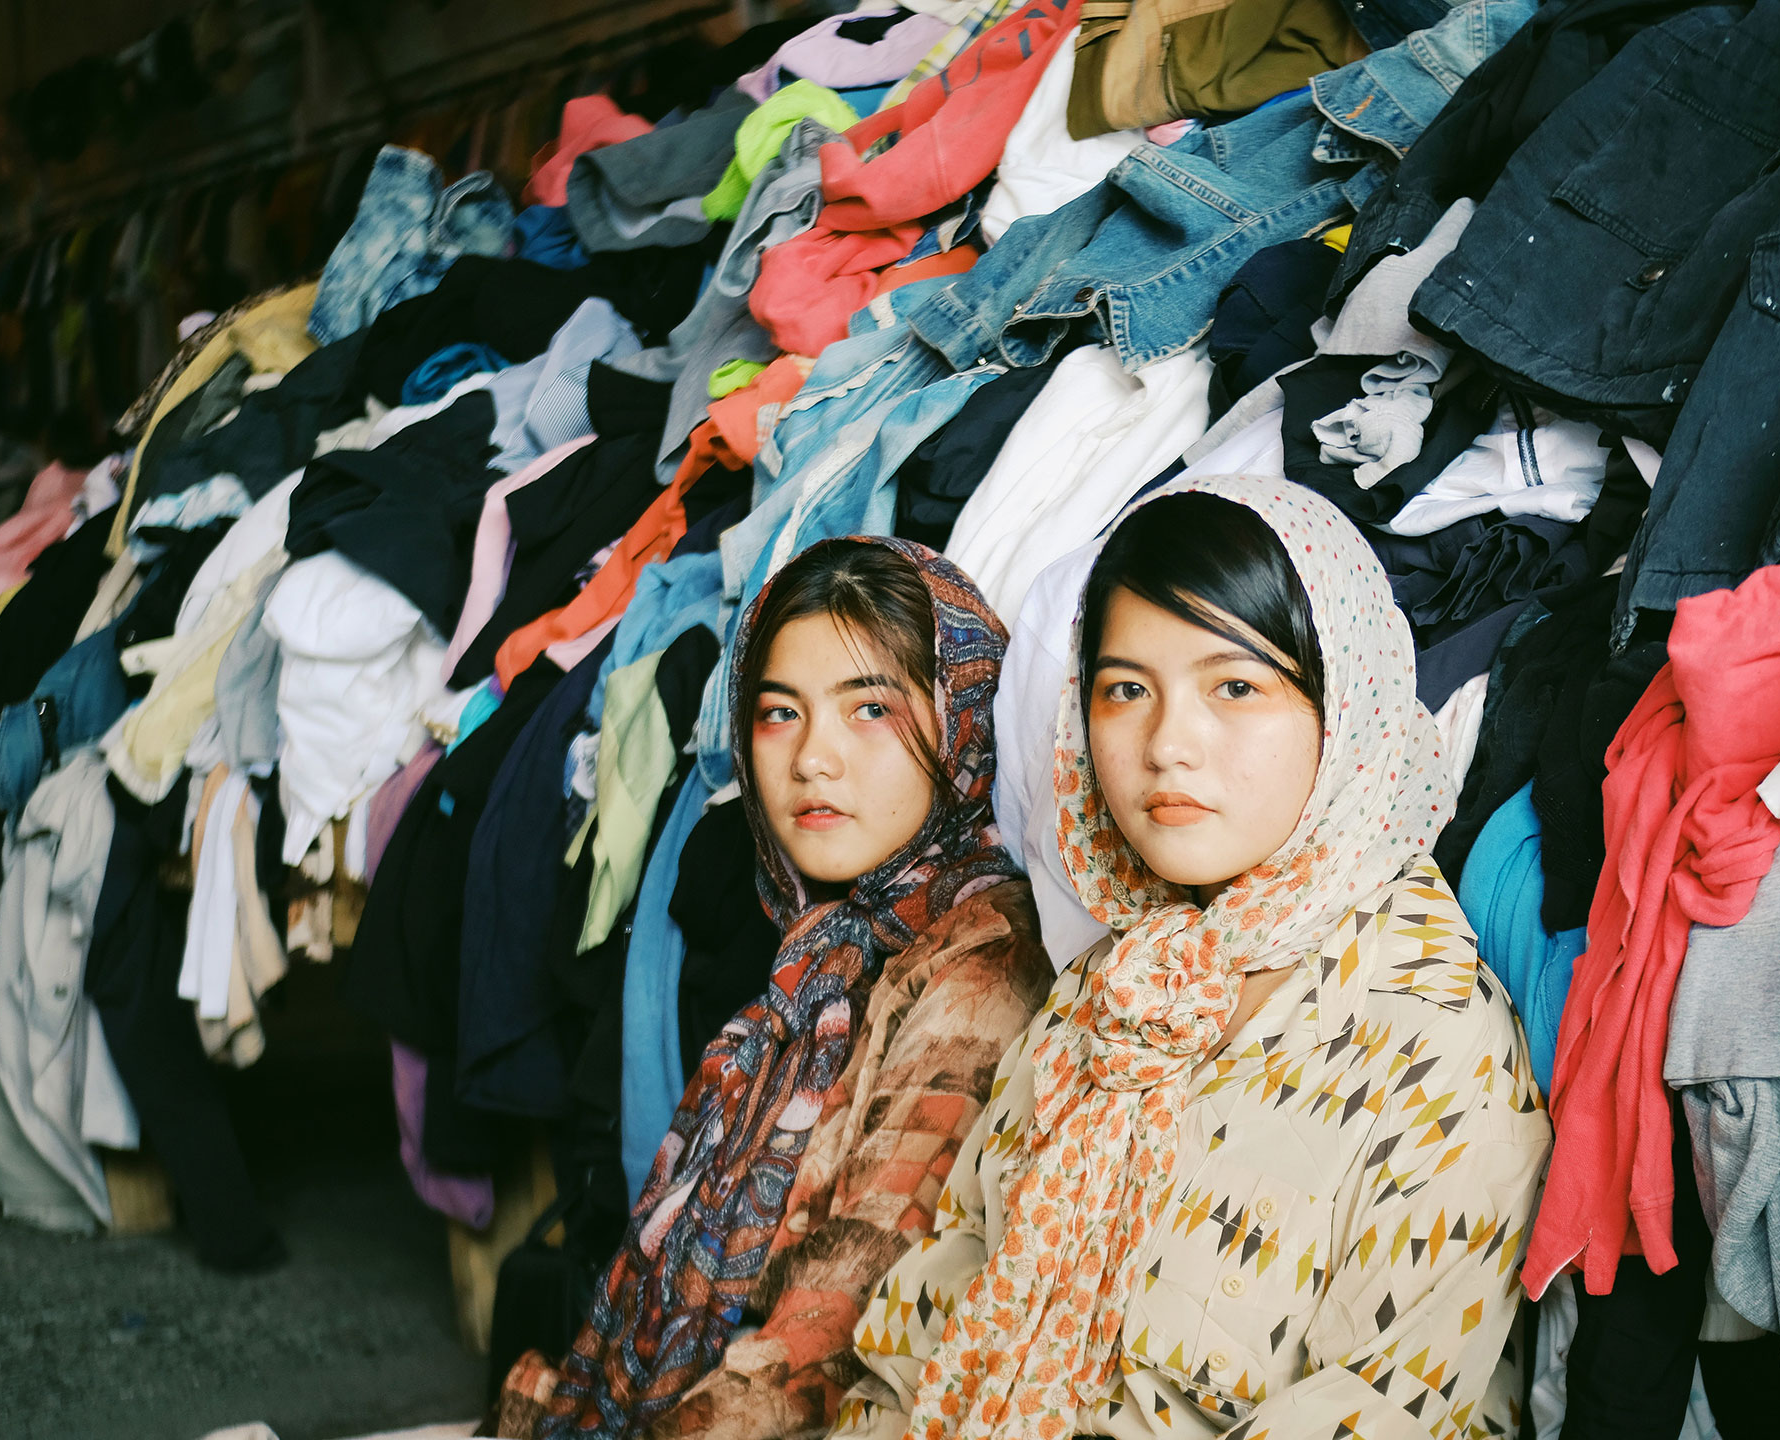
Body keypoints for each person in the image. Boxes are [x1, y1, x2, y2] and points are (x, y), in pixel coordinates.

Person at [834, 475, 1551, 1440]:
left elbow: (1383, 1408)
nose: (1168, 744)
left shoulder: (1432, 1041)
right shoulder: (1110, 988)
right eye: (1126, 690)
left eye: (1235, 686)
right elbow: (933, 1312)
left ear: (1346, 712)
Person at [499, 538, 1052, 1440]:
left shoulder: (982, 974)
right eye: (777, 713)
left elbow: (831, 1340)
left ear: (964, 717)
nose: (811, 761)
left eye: (869, 708)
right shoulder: (820, 949)